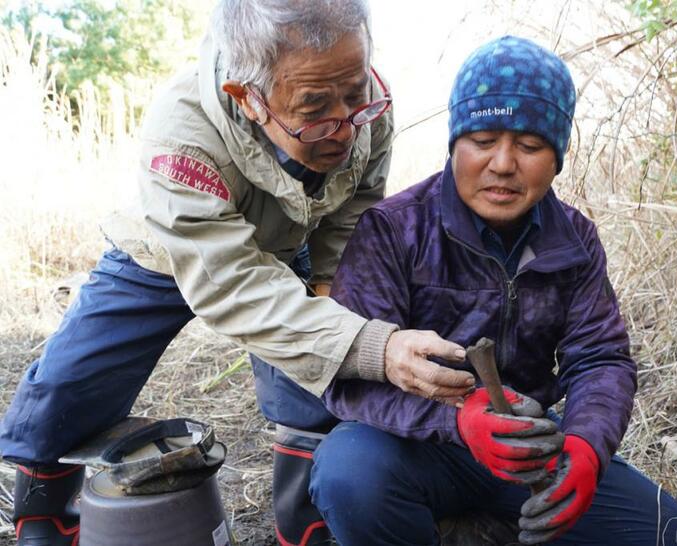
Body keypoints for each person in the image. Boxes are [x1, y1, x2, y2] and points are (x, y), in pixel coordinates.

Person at [0, 1, 476, 545]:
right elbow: (232, 284)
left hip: (286, 243)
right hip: (169, 247)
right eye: (315, 107)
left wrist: (330, 291)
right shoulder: (180, 138)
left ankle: (307, 522)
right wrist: (371, 345)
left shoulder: (363, 100)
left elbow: (354, 208)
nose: (344, 127)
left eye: (354, 95)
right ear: (247, 98)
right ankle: (45, 519)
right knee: (70, 383)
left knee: (319, 384)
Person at [306, 36, 677, 545]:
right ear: (455, 143)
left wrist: (585, 448)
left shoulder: (574, 239)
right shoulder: (393, 229)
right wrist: (461, 420)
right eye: (482, 138)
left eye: (530, 145)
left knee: (673, 535)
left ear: (557, 156)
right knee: (349, 472)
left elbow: (602, 360)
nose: (502, 163)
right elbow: (351, 377)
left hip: (526, 449)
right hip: (411, 449)